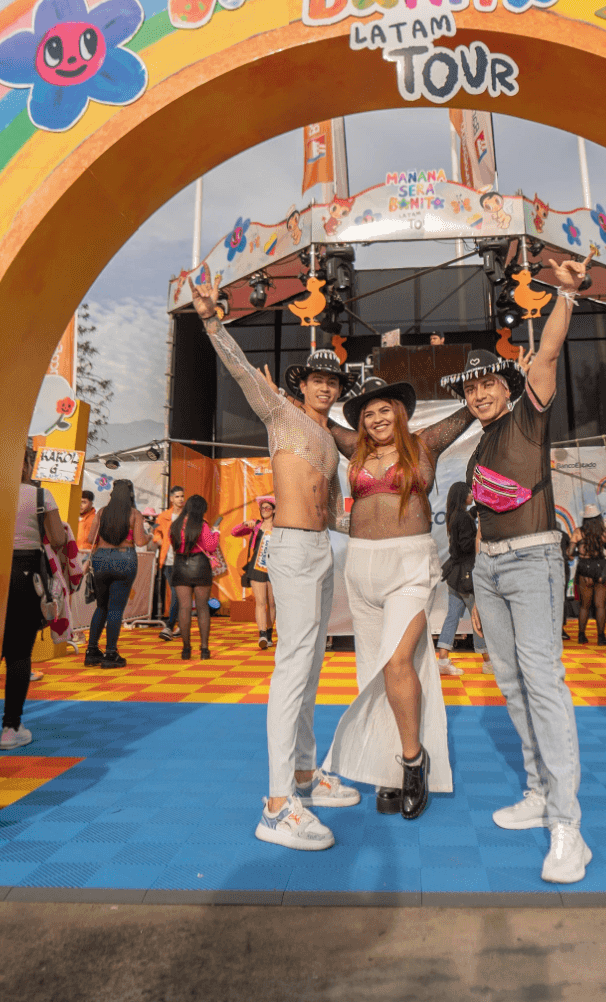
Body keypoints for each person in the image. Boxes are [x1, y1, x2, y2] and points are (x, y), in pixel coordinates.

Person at [191, 277, 360, 851]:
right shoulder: (281, 415)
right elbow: (241, 371)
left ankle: (306, 776)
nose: (326, 387)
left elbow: (333, 512)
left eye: (333, 381)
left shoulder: (330, 442)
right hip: (288, 547)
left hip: (320, 549)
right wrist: (212, 321)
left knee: (310, 666)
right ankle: (276, 804)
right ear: (302, 384)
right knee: (292, 667)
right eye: (318, 379)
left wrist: (389, 530)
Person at [443, 256, 595, 884]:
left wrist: (565, 295)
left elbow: (549, 353)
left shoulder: (529, 416)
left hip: (534, 562)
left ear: (507, 386)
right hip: (491, 571)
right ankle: (538, 791)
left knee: (543, 683)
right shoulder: (480, 443)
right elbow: (482, 516)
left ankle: (568, 826)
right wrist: (478, 579)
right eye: (471, 388)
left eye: (488, 384)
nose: (480, 393)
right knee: (510, 683)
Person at [318, 377, 473, 819]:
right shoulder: (356, 448)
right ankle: (385, 769)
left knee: (397, 662)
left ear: (400, 412)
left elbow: (470, 411)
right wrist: (287, 394)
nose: (376, 418)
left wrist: (498, 379)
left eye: (384, 409)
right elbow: (318, 419)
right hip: (361, 567)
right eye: (368, 414)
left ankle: (412, 761)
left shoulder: (424, 444)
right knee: (372, 669)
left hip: (410, 566)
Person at [2, 443, 71, 750]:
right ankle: (10, 727)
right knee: (19, 653)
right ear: (25, 464)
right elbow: (57, 538)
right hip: (24, 573)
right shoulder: (40, 496)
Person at [85, 479, 144, 668]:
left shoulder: (102, 512)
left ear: (112, 493)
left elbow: (90, 538)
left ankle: (91, 651)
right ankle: (111, 653)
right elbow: (140, 541)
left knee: (101, 606)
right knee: (116, 609)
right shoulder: (134, 514)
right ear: (130, 495)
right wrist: (150, 536)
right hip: (124, 559)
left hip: (101, 559)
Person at [437, 479, 487, 678]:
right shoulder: (463, 518)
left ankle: (443, 660)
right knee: (478, 618)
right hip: (467, 576)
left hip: (455, 575)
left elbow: (466, 521)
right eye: (469, 492)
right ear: (461, 495)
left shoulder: (454, 515)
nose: (472, 495)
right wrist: (479, 536)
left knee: (452, 617)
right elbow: (466, 545)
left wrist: (476, 510)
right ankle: (489, 661)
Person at [169, 495, 223, 661]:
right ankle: (204, 649)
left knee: (184, 608)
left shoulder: (176, 524)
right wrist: (216, 532)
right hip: (200, 566)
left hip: (180, 566)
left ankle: (186, 649)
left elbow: (173, 544)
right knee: (202, 608)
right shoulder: (202, 524)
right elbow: (211, 547)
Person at [231, 497, 277, 650]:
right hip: (257, 568)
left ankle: (269, 633)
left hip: (275, 569)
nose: (264, 510)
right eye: (262, 508)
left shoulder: (279, 527)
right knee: (260, 602)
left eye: (268, 508)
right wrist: (244, 524)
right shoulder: (256, 525)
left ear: (274, 510)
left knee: (272, 603)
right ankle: (262, 634)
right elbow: (234, 532)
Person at [574, 507, 606, 646]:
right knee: (600, 605)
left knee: (584, 606)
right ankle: (601, 637)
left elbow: (570, 552)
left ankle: (581, 636)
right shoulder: (603, 532)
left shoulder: (579, 532)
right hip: (600, 567)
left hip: (584, 567)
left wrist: (578, 552)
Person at [155, 486, 187, 639]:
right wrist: (160, 541)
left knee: (177, 593)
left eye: (182, 496)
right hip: (168, 561)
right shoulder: (163, 516)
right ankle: (179, 626)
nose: (180, 499)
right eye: (177, 496)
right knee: (177, 593)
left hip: (185, 561)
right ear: (171, 499)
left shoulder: (188, 516)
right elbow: (156, 533)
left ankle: (169, 626)